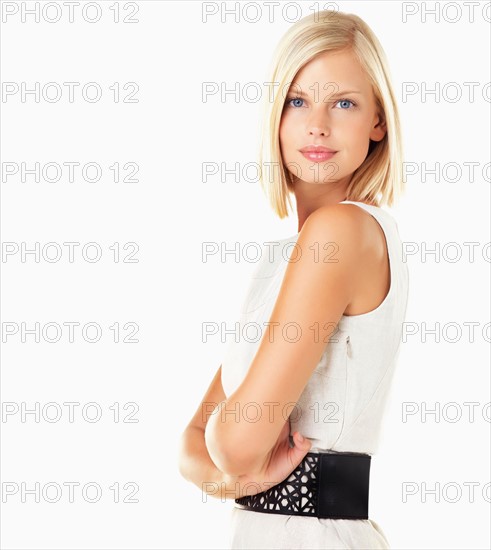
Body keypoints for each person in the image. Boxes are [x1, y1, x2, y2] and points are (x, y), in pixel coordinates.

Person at [178, 9, 409, 549]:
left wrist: (229, 456)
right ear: (275, 116)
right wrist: (235, 469)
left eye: (344, 103)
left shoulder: (343, 232)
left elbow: (227, 443)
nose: (318, 125)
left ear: (378, 122)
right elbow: (191, 447)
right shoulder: (285, 257)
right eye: (298, 101)